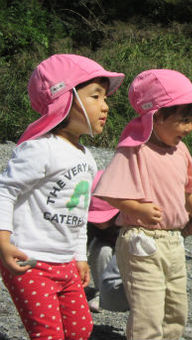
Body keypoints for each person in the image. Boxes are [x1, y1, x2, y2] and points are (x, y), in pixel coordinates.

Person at [0, 54, 124, 339]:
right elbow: (5, 191)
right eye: (95, 96)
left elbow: (79, 215)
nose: (105, 106)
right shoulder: (40, 148)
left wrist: (80, 257)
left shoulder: (86, 157)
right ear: (64, 99)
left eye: (106, 98)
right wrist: (3, 241)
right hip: (29, 260)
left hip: (66, 262)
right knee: (48, 334)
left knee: (81, 330)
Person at [93, 69, 192, 340]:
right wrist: (137, 208)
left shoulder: (180, 150)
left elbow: (189, 189)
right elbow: (109, 192)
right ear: (156, 116)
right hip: (140, 240)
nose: (189, 128)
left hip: (173, 240)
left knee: (175, 306)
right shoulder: (135, 149)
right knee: (148, 308)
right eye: (184, 120)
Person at [98, 176, 192, 312]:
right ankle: (145, 330)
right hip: (114, 288)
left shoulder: (176, 231)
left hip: (126, 284)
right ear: (188, 214)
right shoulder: (160, 232)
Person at [86, 170, 120, 312]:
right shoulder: (91, 225)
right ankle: (102, 293)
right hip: (106, 245)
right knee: (101, 250)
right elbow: (82, 245)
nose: (98, 223)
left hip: (127, 252)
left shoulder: (131, 221)